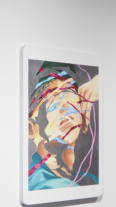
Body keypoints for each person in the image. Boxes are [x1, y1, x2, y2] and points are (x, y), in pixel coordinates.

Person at [28, 61, 99, 190]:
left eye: (69, 93)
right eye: (52, 101)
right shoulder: (42, 185)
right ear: (30, 129)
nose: (64, 105)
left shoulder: (89, 180)